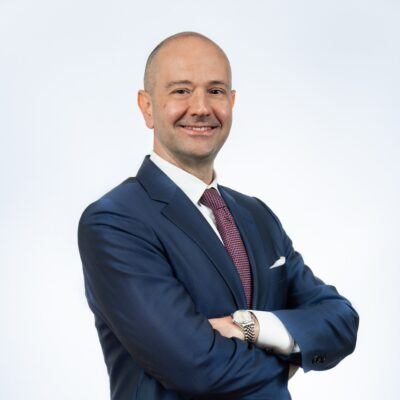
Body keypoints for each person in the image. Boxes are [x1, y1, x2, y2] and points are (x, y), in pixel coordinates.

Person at [78, 32, 359, 400]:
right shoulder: (115, 222)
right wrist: (289, 359)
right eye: (181, 90)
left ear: (232, 102)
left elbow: (341, 322)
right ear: (147, 107)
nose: (200, 107)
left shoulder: (257, 216)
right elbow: (196, 368)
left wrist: (251, 326)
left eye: (215, 91)